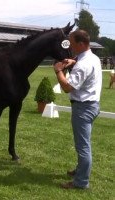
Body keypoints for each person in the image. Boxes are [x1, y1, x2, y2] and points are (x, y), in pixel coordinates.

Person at [53, 29, 102, 189]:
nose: (70, 47)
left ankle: (81, 182)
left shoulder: (83, 64)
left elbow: (68, 87)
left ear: (81, 44)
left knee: (83, 146)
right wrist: (74, 62)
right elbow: (83, 66)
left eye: (72, 43)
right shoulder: (92, 58)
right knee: (83, 143)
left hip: (83, 108)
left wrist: (59, 71)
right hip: (92, 105)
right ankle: (80, 171)